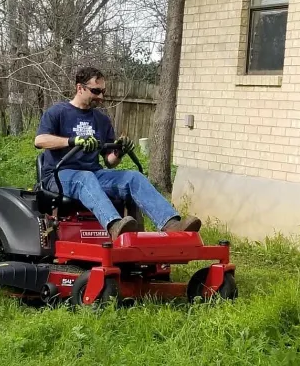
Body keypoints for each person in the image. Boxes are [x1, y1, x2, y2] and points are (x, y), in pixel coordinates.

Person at [34, 66, 201, 240]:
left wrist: (120, 151)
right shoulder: (58, 112)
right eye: (96, 91)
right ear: (80, 88)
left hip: (94, 174)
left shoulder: (102, 120)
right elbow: (40, 140)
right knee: (84, 178)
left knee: (133, 177)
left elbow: (109, 161)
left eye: (103, 91)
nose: (101, 97)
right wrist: (71, 141)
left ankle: (171, 224)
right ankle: (115, 226)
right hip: (59, 175)